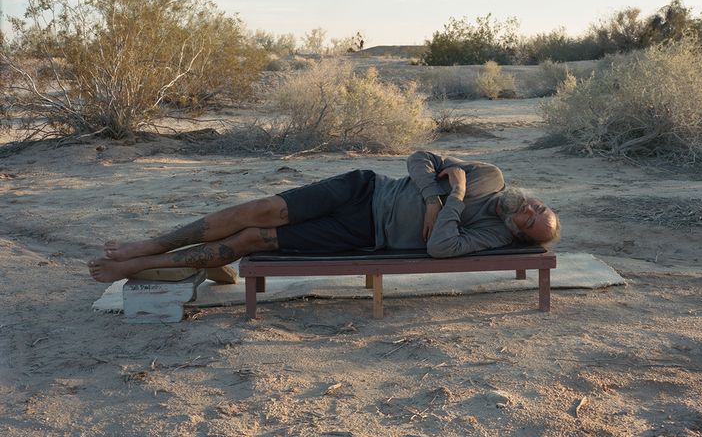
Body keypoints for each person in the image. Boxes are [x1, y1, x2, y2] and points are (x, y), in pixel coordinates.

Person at [89, 151, 560, 282]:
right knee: (264, 208)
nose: (529, 210)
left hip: (361, 231)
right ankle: (153, 244)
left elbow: (440, 247)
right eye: (538, 207)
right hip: (365, 187)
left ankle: (132, 267)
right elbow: (421, 157)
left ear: (516, 233)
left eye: (529, 220)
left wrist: (453, 199)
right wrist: (436, 197)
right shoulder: (491, 176)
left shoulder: (491, 235)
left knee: (256, 237)